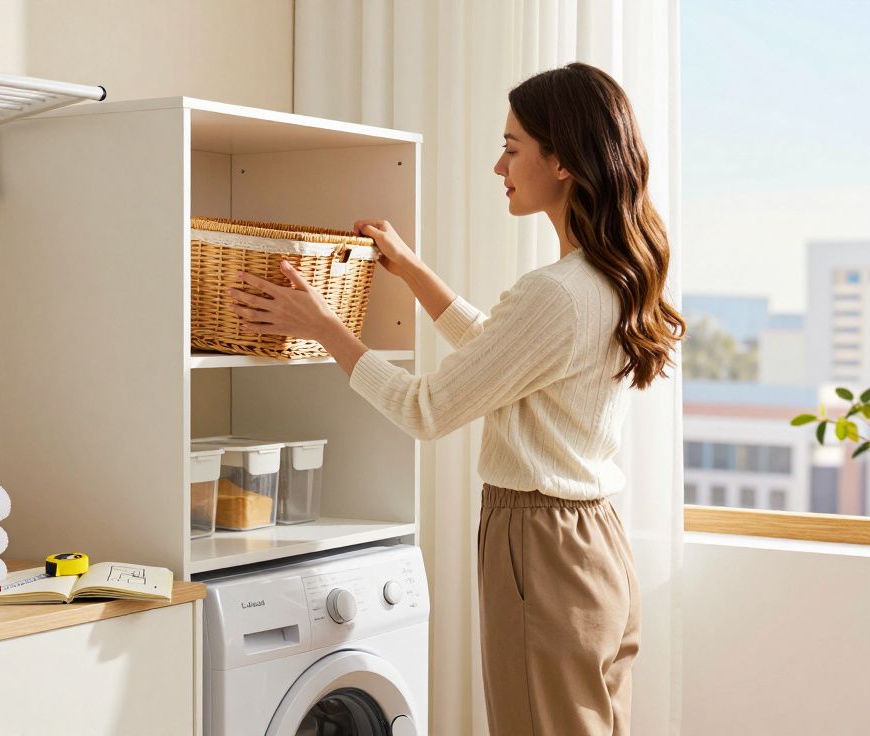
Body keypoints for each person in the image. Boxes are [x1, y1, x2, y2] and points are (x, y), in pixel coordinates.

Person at [227, 62, 685, 736]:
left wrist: (326, 329)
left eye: (512, 148)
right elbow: (507, 357)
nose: (499, 166)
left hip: (540, 545)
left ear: (560, 161)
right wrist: (414, 274)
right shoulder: (609, 277)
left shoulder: (555, 291)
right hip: (595, 545)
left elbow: (428, 409)